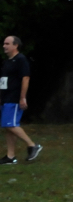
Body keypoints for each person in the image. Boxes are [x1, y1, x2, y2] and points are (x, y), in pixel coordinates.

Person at [1, 35, 41, 165]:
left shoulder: (21, 60)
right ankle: (10, 156)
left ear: (15, 45)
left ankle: (32, 145)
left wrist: (22, 97)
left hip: (14, 97)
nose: (4, 46)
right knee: (8, 127)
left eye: (7, 44)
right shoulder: (7, 62)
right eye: (4, 44)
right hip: (5, 98)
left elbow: (25, 78)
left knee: (10, 124)